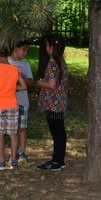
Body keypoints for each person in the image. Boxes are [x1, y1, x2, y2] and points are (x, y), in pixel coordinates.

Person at [0, 47, 26, 170]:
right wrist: (12, 87)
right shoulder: (14, 69)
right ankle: (13, 161)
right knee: (13, 134)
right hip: (12, 105)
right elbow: (23, 86)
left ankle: (1, 161)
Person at [31, 34, 69, 171]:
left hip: (53, 104)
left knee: (57, 132)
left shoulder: (53, 64)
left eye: (47, 45)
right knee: (59, 131)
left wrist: (39, 83)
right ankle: (59, 159)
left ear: (52, 47)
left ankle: (56, 161)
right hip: (59, 103)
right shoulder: (61, 63)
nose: (46, 48)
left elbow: (52, 85)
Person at [8, 38, 34, 162]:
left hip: (23, 101)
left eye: (27, 50)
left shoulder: (25, 65)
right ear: (15, 47)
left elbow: (31, 82)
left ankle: (22, 152)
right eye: (24, 49)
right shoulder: (6, 62)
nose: (26, 52)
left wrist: (22, 77)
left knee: (22, 128)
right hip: (9, 102)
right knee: (12, 129)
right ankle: (14, 152)